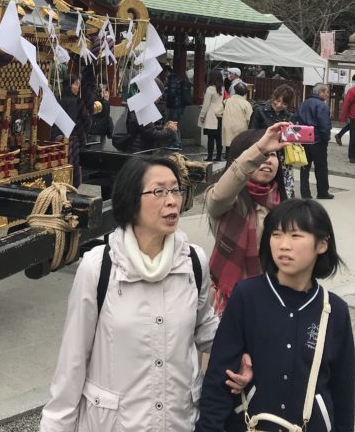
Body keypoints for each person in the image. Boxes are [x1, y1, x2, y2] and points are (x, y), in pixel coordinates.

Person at [40, 155, 239, 431]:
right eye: (159, 191)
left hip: (179, 421)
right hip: (116, 423)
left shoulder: (193, 261)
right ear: (131, 201)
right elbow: (72, 361)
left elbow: (204, 326)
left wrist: (240, 355)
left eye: (175, 190)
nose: (172, 200)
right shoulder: (99, 267)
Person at [197, 199, 355, 432]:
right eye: (276, 234)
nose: (283, 245)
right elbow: (220, 377)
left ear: (322, 244)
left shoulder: (334, 310)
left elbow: (343, 393)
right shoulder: (247, 296)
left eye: (295, 236)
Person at [205, 123, 290, 314]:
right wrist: (259, 149)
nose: (268, 160)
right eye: (262, 156)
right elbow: (220, 195)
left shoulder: (283, 205)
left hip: (273, 298)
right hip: (229, 301)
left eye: (273, 155)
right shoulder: (229, 202)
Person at [296, 83, 333, 199]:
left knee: (304, 167)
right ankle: (322, 192)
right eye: (326, 92)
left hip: (303, 138)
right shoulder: (322, 106)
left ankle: (305, 193)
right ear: (321, 92)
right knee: (321, 167)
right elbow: (324, 125)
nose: (327, 95)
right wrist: (326, 138)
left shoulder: (303, 104)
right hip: (317, 140)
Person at [335, 75, 355, 166]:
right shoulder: (352, 91)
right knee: (353, 138)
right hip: (354, 118)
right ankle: (352, 156)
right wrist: (343, 118)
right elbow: (346, 105)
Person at [199, 70, 225, 162]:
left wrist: (202, 115)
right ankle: (218, 156)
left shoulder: (210, 89)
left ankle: (209, 157)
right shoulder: (222, 88)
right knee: (219, 137)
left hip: (211, 115)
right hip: (220, 114)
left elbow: (206, 105)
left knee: (211, 137)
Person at [221, 85, 251, 154]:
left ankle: (228, 160)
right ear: (245, 93)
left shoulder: (226, 101)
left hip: (228, 127)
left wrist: (224, 115)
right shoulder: (246, 103)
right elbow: (250, 118)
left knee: (229, 146)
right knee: (240, 148)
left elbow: (217, 112)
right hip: (241, 129)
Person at [164, 68, 189, 150]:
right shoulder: (177, 78)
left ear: (167, 72)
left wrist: (168, 101)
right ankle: (178, 142)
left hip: (175, 105)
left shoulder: (172, 79)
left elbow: (172, 93)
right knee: (176, 124)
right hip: (180, 105)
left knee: (173, 124)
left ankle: (175, 143)